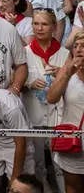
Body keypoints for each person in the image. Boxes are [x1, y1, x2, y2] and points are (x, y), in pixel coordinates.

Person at [22, 9, 68, 191]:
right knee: (37, 162)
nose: (39, 28)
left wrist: (62, 75)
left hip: (58, 114)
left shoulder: (65, 54)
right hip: (34, 114)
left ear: (54, 26)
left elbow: (74, 85)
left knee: (60, 163)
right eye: (36, 24)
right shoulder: (24, 52)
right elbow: (15, 81)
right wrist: (29, 84)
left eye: (44, 24)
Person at [46, 29, 84, 193]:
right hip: (73, 144)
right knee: (72, 187)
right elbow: (51, 98)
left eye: (83, 45)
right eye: (75, 46)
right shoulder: (67, 72)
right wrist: (67, 73)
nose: (78, 49)